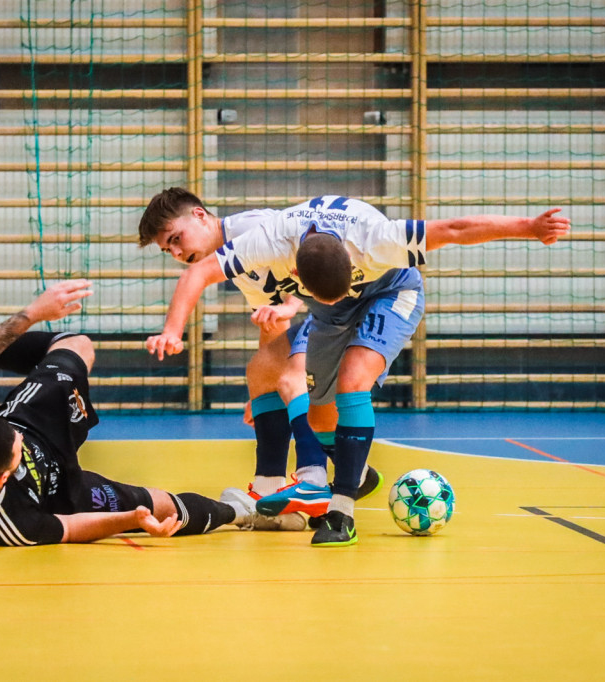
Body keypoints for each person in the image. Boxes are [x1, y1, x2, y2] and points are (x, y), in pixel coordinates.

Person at [144, 192, 570, 547]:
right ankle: (357, 473)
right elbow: (202, 273)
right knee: (317, 417)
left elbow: (454, 230)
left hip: (391, 292)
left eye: (175, 240)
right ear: (296, 271)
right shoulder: (270, 241)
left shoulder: (377, 240)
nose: (177, 253)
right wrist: (174, 330)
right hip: (331, 309)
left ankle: (340, 511)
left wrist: (529, 227)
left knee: (352, 382)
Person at [0, 279, 304, 547]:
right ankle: (240, 513)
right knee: (159, 505)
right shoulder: (13, 524)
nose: (18, 441)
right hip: (59, 493)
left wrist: (34, 312)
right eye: (16, 448)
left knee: (78, 345)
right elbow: (73, 528)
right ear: (4, 477)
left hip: (30, 419)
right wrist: (133, 520)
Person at [138, 188, 382, 520]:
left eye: (176, 238)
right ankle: (269, 489)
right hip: (319, 313)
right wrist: (264, 388)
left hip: (344, 309)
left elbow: (314, 258)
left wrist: (171, 332)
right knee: (262, 369)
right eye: (169, 250)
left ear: (199, 215)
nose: (177, 252)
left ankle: (313, 480)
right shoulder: (235, 264)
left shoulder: (255, 228)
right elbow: (272, 330)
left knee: (292, 376)